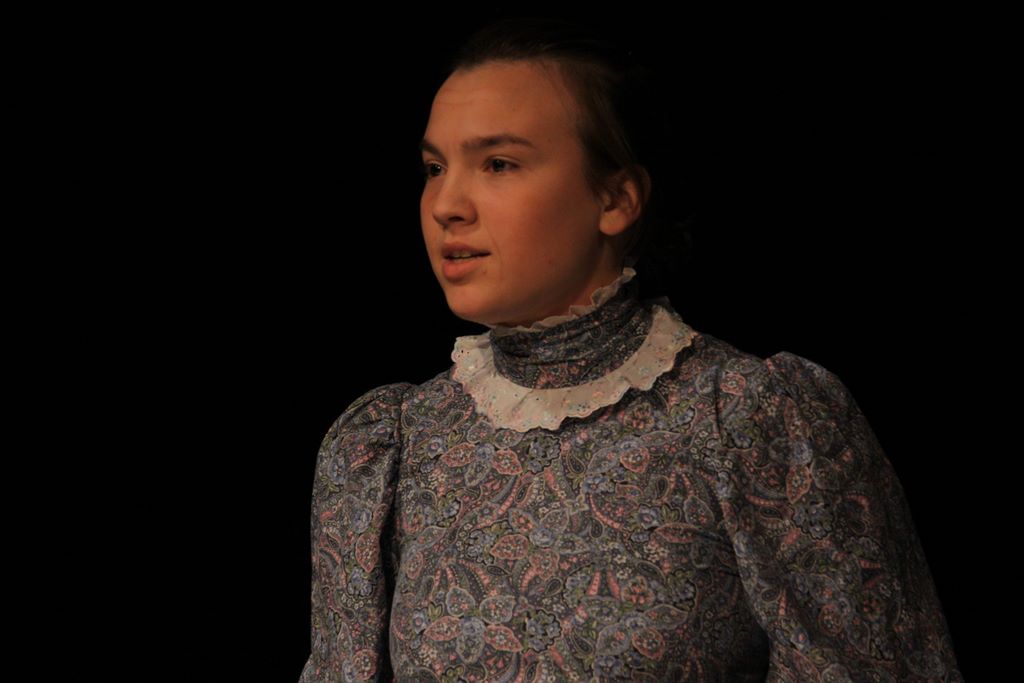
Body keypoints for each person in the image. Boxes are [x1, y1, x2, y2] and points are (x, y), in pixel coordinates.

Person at [299, 17, 962, 682]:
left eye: (498, 164)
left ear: (616, 198)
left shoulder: (749, 417)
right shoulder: (391, 445)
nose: (446, 203)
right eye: (434, 168)